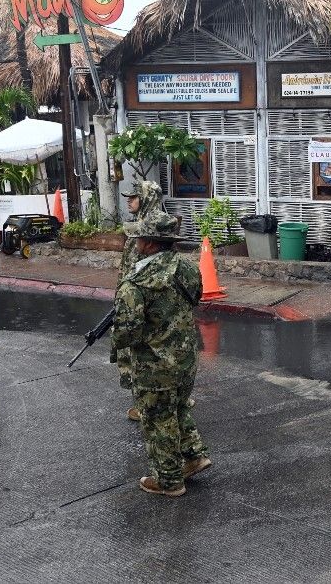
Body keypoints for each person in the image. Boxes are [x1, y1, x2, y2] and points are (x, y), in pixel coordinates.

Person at [111, 213, 210, 497]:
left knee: (157, 418)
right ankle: (193, 456)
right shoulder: (188, 270)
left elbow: (126, 333)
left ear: (151, 243)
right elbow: (196, 298)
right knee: (177, 407)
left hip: (154, 366)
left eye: (140, 237)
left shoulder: (136, 283)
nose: (137, 242)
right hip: (185, 357)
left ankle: (169, 480)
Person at [113, 180, 165, 421]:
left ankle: (146, 406)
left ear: (146, 198)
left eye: (134, 197)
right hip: (150, 302)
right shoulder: (155, 225)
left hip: (140, 302)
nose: (129, 200)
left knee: (139, 353)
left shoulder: (147, 230)